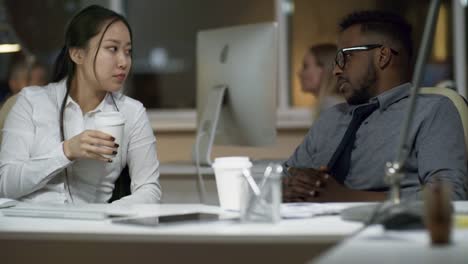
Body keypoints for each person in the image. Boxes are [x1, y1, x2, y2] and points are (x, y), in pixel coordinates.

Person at [283, 10, 467, 202]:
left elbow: (449, 195)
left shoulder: (431, 111)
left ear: (382, 56)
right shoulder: (332, 117)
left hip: (385, 229)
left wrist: (346, 197)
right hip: (305, 227)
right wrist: (287, 188)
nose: (336, 70)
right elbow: (287, 177)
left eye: (345, 57)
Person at [0, 5, 161, 204]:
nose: (124, 61)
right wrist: (66, 151)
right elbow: (4, 185)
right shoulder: (31, 102)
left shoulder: (132, 112)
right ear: (77, 54)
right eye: (112, 49)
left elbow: (149, 191)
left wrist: (107, 217)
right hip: (28, 228)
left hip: (88, 230)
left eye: (128, 51)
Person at [0, 57, 48, 143]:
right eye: (31, 81)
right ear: (13, 83)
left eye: (43, 80)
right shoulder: (13, 107)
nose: (42, 86)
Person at [298, 43, 344, 117]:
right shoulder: (331, 105)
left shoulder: (331, 106)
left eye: (305, 66)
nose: (299, 73)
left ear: (325, 69)